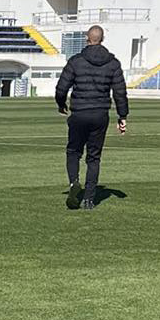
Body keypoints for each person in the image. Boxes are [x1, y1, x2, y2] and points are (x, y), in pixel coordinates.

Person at [54, 24, 129, 210]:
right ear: (102, 40)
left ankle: (74, 183)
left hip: (79, 113)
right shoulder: (113, 63)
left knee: (73, 152)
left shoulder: (76, 61)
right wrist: (122, 116)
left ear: (87, 39)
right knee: (94, 157)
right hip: (100, 115)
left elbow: (61, 87)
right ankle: (89, 199)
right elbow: (120, 92)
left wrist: (61, 104)